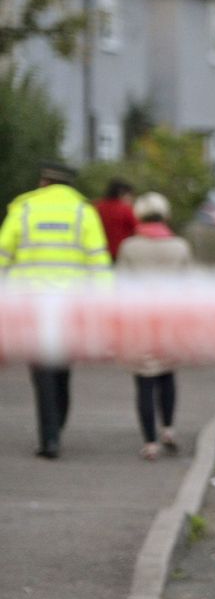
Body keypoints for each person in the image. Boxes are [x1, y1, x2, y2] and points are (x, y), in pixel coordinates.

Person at [0, 162, 112, 459]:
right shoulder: (83, 213)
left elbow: (2, 255)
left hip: (30, 305)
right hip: (70, 307)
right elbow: (98, 263)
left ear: (43, 182)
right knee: (61, 371)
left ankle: (50, 438)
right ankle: (55, 429)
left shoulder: (22, 210)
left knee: (41, 372)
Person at [117, 192, 194, 460]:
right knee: (168, 375)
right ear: (166, 215)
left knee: (144, 382)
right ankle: (169, 428)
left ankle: (150, 442)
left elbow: (121, 287)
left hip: (139, 321)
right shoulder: (180, 247)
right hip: (170, 321)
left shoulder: (129, 248)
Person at [94, 177, 138, 261]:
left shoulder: (96, 207)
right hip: (120, 254)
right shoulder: (126, 210)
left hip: (98, 252)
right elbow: (137, 230)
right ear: (122, 193)